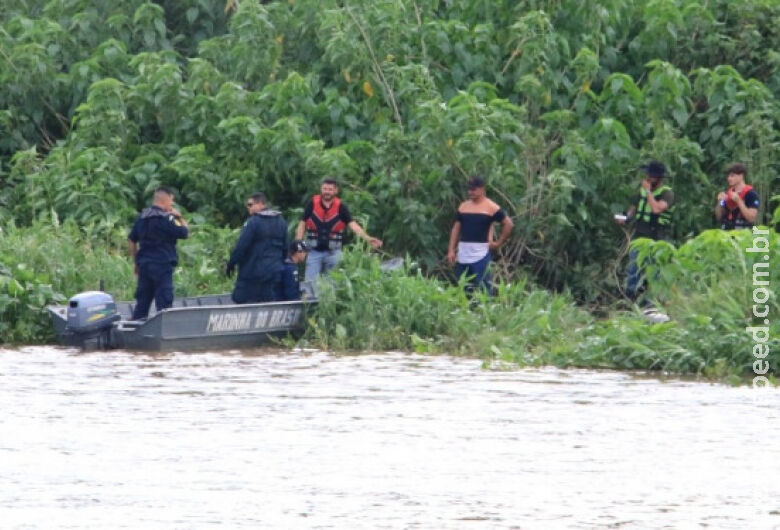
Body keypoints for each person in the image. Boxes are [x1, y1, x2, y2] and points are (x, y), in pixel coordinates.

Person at [295, 178, 382, 283]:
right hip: (314, 252)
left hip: (333, 253)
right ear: (321, 189)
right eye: (324, 189)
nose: (327, 192)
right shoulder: (312, 204)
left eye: (330, 189)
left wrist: (367, 238)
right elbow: (302, 224)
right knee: (309, 283)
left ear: (336, 191)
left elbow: (353, 225)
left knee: (332, 286)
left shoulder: (341, 207)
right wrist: (299, 245)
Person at [615, 161, 675, 302]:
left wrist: (648, 192)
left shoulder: (667, 193)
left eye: (651, 176)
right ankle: (630, 300)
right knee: (633, 270)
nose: (647, 178)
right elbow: (632, 210)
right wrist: (625, 218)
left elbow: (656, 209)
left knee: (653, 272)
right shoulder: (641, 192)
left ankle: (650, 303)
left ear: (659, 178)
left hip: (657, 238)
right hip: (639, 236)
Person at [128, 186, 189, 320]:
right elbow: (185, 233)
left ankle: (135, 331)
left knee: (142, 302)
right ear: (165, 201)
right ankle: (164, 331)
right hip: (162, 265)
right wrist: (179, 217)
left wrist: (136, 262)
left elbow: (131, 240)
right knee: (164, 303)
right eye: (171, 202)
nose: (172, 205)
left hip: (144, 265)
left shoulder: (142, 218)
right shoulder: (168, 219)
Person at [446, 176, 514, 295]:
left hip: (480, 253)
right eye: (469, 189)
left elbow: (508, 224)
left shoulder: (491, 207)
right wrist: (451, 249)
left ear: (482, 189)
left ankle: (486, 311)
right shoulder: (463, 207)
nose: (470, 192)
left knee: (484, 287)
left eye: (473, 189)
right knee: (463, 288)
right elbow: (456, 228)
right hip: (463, 253)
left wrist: (498, 243)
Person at [226, 193, 287, 304]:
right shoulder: (281, 221)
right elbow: (285, 247)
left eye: (250, 205)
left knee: (239, 299)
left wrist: (231, 263)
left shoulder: (253, 222)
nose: (248, 208)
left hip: (253, 271)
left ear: (260, 204)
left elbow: (241, 246)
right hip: (273, 271)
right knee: (267, 301)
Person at [714, 162, 759, 230]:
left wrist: (739, 201)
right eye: (728, 176)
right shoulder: (727, 194)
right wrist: (720, 202)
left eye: (732, 176)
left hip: (743, 233)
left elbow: (751, 218)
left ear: (741, 176)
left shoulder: (751, 194)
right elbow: (718, 216)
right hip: (727, 232)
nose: (729, 178)